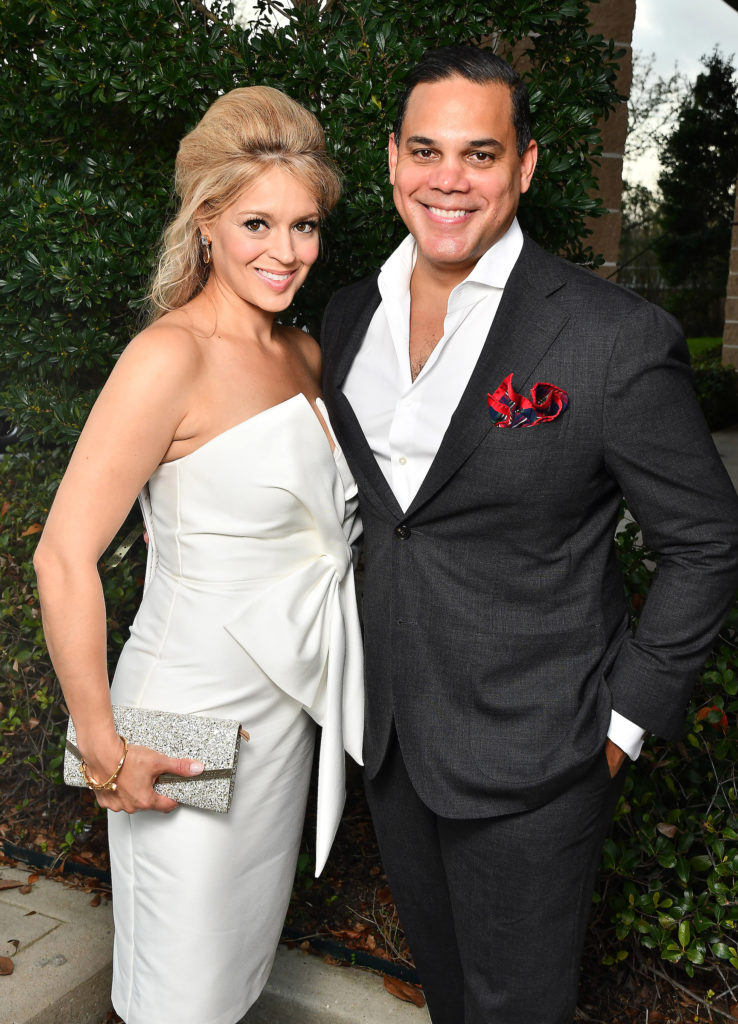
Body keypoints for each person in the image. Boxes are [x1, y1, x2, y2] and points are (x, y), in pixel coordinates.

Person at [320, 45, 738, 1024]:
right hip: (390, 742)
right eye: (425, 150)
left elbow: (709, 538)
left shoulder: (605, 337)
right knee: (451, 999)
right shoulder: (347, 319)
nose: (448, 180)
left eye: (479, 153)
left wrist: (624, 723)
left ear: (525, 166)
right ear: (391, 161)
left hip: (541, 756)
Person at [34, 85, 364, 1024]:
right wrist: (102, 747)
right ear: (207, 222)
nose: (286, 250)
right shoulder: (166, 357)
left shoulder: (304, 353)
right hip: (182, 724)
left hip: (287, 712)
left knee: (233, 975)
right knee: (177, 993)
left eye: (304, 225)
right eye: (258, 221)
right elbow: (62, 557)